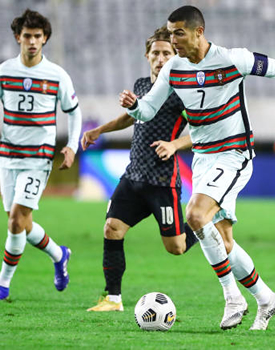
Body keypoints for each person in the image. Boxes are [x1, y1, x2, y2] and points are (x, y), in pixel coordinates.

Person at [119, 6, 275, 330]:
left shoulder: (231, 59)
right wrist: (134, 106)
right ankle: (267, 298)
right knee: (222, 238)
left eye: (178, 33)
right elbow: (149, 109)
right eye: (170, 33)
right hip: (203, 157)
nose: (173, 40)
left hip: (234, 153)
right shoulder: (173, 69)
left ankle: (232, 297)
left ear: (199, 32)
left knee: (196, 215)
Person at [82, 27, 198, 312]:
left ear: (175, 57)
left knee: (176, 248)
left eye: (166, 53)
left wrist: (174, 145)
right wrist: (101, 129)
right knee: (112, 229)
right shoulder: (142, 85)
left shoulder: (183, 92)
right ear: (147, 56)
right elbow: (131, 116)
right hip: (133, 176)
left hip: (162, 181)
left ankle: (205, 224)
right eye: (156, 53)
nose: (160, 58)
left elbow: (202, 130)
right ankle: (113, 298)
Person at [0, 9, 82, 300]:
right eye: (27, 36)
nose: (32, 41)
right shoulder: (4, 71)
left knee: (15, 220)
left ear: (45, 38)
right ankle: (59, 255)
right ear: (17, 37)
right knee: (22, 222)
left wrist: (71, 146)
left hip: (38, 158)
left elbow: (74, 113)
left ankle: (2, 284)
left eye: (37, 36)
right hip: (8, 158)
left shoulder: (57, 75)